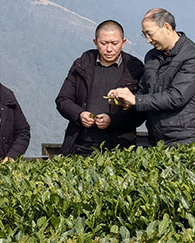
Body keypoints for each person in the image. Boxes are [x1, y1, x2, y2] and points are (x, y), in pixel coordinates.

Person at [107, 8, 195, 146]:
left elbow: (176, 97)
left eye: (150, 34)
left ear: (167, 27)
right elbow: (145, 91)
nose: (148, 40)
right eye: (144, 35)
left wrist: (136, 100)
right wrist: (127, 102)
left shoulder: (192, 56)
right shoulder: (152, 56)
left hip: (186, 139)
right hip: (157, 138)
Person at [55, 20, 145, 156]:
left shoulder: (134, 68)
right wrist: (80, 115)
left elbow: (141, 110)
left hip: (119, 148)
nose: (109, 49)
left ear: (123, 43)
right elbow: (63, 100)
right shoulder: (82, 64)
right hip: (79, 146)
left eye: (115, 43)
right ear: (95, 42)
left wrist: (112, 120)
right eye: (103, 43)